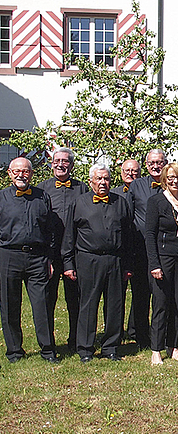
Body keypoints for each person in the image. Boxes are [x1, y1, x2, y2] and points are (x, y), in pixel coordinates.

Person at [62, 163, 134, 363]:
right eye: (99, 179)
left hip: (115, 260)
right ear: (91, 181)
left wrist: (128, 265)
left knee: (115, 305)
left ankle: (110, 347)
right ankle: (85, 348)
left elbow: (128, 237)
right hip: (88, 259)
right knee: (88, 304)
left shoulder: (121, 203)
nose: (103, 182)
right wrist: (68, 264)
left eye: (106, 179)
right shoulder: (79, 203)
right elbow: (69, 236)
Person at [0, 157, 58, 363]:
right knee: (9, 305)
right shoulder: (1, 198)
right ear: (9, 173)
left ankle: (48, 350)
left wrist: (49, 259)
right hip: (8, 256)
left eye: (25, 171)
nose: (20, 175)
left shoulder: (42, 197)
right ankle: (14, 351)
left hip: (38, 258)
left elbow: (50, 230)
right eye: (16, 171)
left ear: (31, 174)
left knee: (42, 305)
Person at [146, 163, 178, 365]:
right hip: (163, 258)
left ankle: (174, 346)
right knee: (160, 304)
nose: (175, 181)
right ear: (164, 180)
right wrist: (154, 264)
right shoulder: (156, 201)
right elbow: (150, 235)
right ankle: (156, 349)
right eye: (170, 177)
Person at [37, 147, 89, 352]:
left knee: (75, 299)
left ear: (71, 165)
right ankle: (48, 342)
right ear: (52, 164)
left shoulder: (82, 188)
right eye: (57, 160)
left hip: (75, 253)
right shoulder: (41, 190)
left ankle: (76, 340)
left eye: (65, 161)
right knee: (47, 299)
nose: (60, 164)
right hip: (49, 253)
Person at [127, 149, 168, 349]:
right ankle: (141, 336)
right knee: (141, 294)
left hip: (166, 249)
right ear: (146, 164)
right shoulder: (136, 185)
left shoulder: (171, 184)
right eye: (151, 162)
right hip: (141, 249)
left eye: (159, 162)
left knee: (162, 295)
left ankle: (162, 334)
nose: (155, 166)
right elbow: (129, 215)